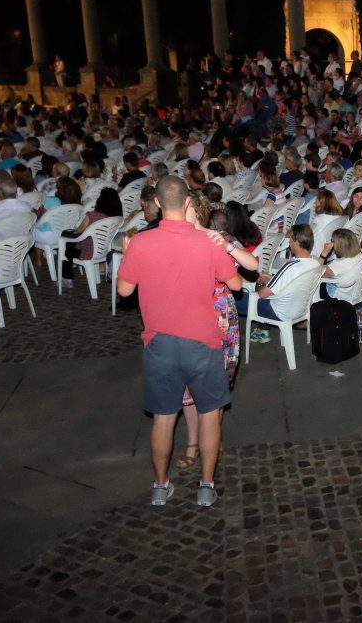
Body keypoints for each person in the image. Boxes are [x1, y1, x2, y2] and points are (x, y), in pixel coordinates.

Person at [116, 176, 241, 507]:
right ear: (187, 201)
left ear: (156, 203)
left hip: (160, 343)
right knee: (210, 413)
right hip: (203, 341)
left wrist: (127, 255)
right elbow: (237, 283)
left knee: (163, 417)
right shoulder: (206, 242)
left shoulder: (141, 243)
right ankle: (207, 485)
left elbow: (124, 291)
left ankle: (160, 486)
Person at [174, 191, 258, 471]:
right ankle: (192, 443)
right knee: (187, 384)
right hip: (187, 314)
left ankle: (213, 437)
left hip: (220, 315)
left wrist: (226, 244)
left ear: (195, 212)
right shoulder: (177, 240)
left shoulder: (217, 237)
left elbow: (252, 266)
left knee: (217, 381)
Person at [234, 224, 320, 343]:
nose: (289, 243)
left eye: (290, 239)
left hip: (278, 311)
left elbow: (263, 294)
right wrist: (271, 278)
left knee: (234, 299)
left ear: (297, 242)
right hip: (300, 308)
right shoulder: (315, 263)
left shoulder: (291, 266)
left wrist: (260, 282)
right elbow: (291, 280)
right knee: (259, 287)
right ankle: (262, 329)